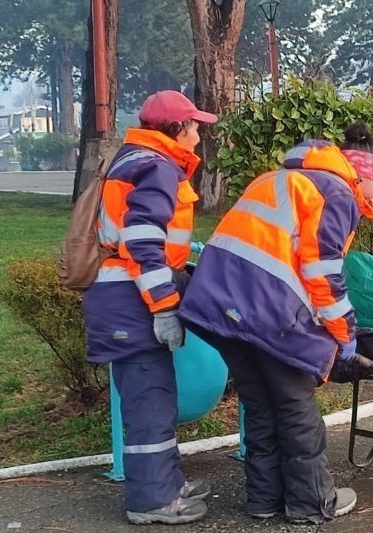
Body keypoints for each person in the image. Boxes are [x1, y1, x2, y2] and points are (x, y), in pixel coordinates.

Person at [177, 122, 373, 524]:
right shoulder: (335, 192)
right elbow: (323, 272)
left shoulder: (282, 178)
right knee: (296, 408)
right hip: (266, 311)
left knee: (260, 404)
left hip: (218, 303)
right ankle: (312, 503)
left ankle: (263, 500)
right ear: (363, 173)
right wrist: (344, 333)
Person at [82, 90, 217, 525]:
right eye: (195, 126)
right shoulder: (157, 167)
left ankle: (166, 483)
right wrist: (163, 307)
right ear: (178, 129)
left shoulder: (133, 158)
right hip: (132, 301)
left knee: (153, 397)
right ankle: (153, 501)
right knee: (148, 403)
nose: (199, 134)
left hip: (122, 296)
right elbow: (142, 242)